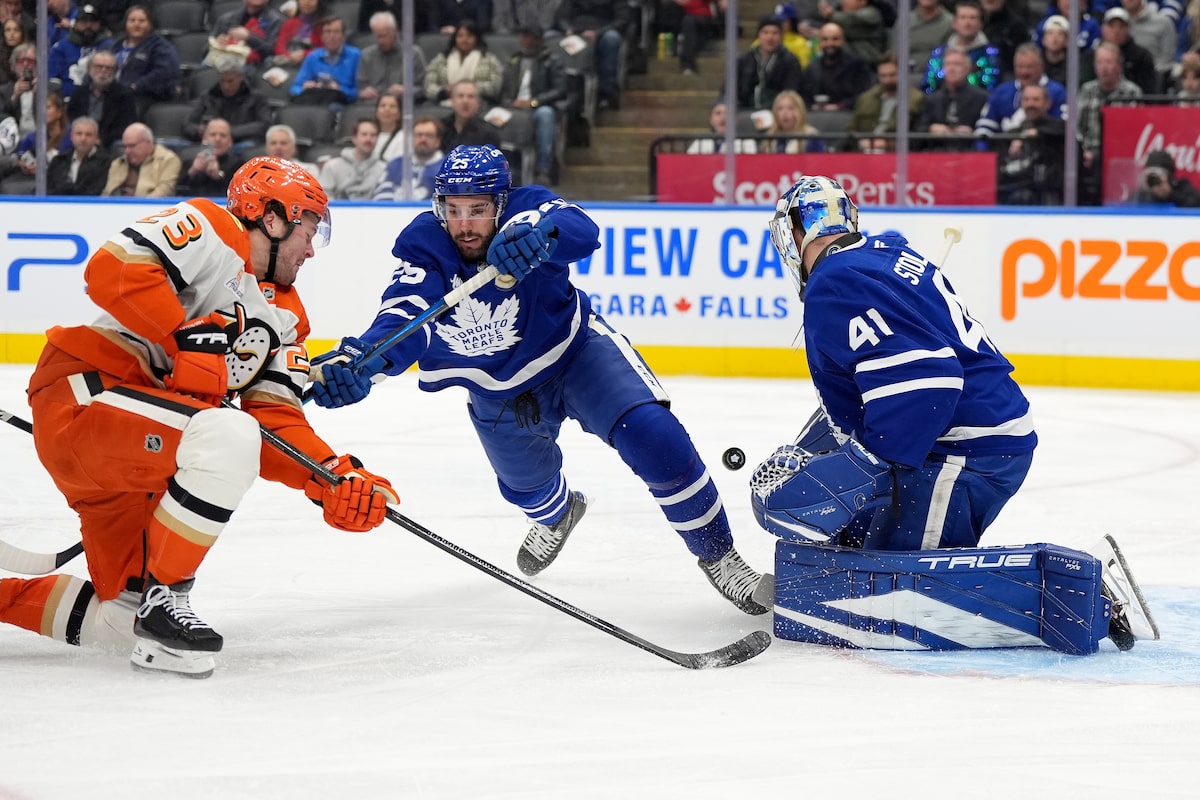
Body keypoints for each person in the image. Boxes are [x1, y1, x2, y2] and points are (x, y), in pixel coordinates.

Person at [308, 144, 772, 615]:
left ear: (501, 204)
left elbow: (581, 230)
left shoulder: (528, 210)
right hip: (496, 388)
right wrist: (366, 359)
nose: (464, 225)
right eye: (453, 209)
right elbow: (405, 314)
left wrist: (540, 234)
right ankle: (558, 515)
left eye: (477, 210)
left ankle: (720, 557)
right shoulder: (425, 245)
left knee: (656, 436)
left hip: (577, 355)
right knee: (529, 490)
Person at [0, 156, 397, 677]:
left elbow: (276, 421)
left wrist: (329, 476)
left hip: (143, 455)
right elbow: (111, 270)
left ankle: (111, 607)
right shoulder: (213, 227)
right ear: (272, 217)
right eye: (308, 230)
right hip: (88, 397)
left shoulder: (288, 319)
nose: (310, 249)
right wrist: (182, 337)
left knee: (122, 624)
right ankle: (168, 598)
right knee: (229, 433)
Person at [759, 174, 1155, 652]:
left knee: (898, 595)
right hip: (967, 435)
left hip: (964, 450)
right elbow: (885, 382)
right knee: (861, 546)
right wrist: (823, 453)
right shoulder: (879, 255)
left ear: (794, 232)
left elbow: (928, 380)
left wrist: (857, 466)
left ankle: (1079, 595)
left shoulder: (835, 281)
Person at [497, 23, 568, 185]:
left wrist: (535, 102)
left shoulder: (551, 60)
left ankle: (543, 169)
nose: (527, 41)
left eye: (532, 37)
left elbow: (560, 90)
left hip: (538, 107)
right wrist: (510, 102)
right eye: (525, 37)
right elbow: (503, 91)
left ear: (540, 40)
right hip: (514, 108)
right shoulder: (513, 60)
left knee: (545, 114)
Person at [1077, 42, 1143, 205]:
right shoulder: (1086, 90)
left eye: (1109, 62)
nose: (1104, 68)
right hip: (1090, 152)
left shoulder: (1132, 92)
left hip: (1121, 154)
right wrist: (1083, 151)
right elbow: (1076, 127)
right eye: (1100, 62)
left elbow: (1137, 130)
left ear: (1119, 65)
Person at [103, 4, 181, 118]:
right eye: (132, 20)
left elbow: (165, 72)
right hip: (112, 93)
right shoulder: (115, 46)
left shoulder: (161, 47)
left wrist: (137, 86)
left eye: (142, 21)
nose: (136, 24)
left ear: (150, 24)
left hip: (143, 96)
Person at [974, 43, 1067, 138]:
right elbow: (985, 126)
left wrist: (1039, 132)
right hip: (1005, 145)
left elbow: (1064, 126)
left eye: (1029, 67)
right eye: (1020, 66)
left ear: (1041, 66)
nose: (1024, 72)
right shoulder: (1001, 92)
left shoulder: (1058, 92)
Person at [184, 55, 273, 151]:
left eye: (230, 81)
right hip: (210, 145)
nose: (226, 86)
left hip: (240, 144)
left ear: (241, 77)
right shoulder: (208, 96)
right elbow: (188, 125)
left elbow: (264, 125)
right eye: (222, 81)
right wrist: (199, 130)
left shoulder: (257, 98)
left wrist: (228, 132)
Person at [996, 83, 1066, 205]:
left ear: (1047, 103)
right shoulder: (1013, 133)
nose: (1030, 104)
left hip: (1050, 194)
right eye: (1026, 100)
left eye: (1036, 100)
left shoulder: (1059, 128)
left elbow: (1062, 130)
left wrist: (1037, 132)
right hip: (1015, 190)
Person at [554, 0, 632, 110]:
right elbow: (562, 16)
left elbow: (622, 19)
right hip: (574, 32)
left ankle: (606, 91)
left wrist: (598, 32)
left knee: (611, 39)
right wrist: (567, 28)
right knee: (550, 36)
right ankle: (560, 89)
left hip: (603, 31)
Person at [846, 52, 924, 152]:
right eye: (883, 76)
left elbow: (918, 135)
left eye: (892, 75)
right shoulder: (865, 98)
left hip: (896, 152)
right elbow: (851, 129)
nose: (887, 80)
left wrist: (887, 144)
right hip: (865, 150)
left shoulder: (916, 99)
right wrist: (860, 141)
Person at [917, 47, 989, 150]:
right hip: (937, 152)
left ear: (968, 69)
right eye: (948, 64)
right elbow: (918, 132)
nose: (951, 69)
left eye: (957, 64)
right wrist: (931, 129)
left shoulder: (982, 98)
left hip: (969, 152)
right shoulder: (932, 99)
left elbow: (988, 131)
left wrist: (973, 132)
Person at [923, 0, 1002, 93]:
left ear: (980, 24)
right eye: (963, 17)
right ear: (954, 23)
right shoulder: (940, 52)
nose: (967, 23)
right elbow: (928, 85)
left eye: (972, 18)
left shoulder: (990, 54)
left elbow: (991, 87)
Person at [65, 49, 136, 150]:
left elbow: (125, 126)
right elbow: (71, 118)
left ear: (115, 72)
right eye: (98, 66)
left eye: (108, 68)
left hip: (108, 142)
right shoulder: (79, 92)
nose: (103, 71)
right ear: (89, 69)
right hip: (81, 137)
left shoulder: (124, 95)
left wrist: (97, 139)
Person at [422, 20, 505, 107]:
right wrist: (444, 91)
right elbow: (428, 86)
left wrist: (468, 88)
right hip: (443, 104)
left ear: (476, 38)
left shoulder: (489, 60)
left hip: (480, 105)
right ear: (455, 38)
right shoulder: (441, 59)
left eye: (469, 36)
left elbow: (495, 87)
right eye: (460, 36)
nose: (464, 40)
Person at [730, 14, 804, 110]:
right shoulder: (744, 60)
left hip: (777, 112)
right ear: (759, 35)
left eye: (775, 33)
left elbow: (791, 92)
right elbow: (730, 90)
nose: (770, 37)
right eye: (765, 32)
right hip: (745, 111)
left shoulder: (790, 61)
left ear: (781, 36)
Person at [800, 21, 875, 111]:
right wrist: (812, 106)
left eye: (835, 39)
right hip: (817, 114)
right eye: (825, 39)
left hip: (848, 113)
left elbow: (864, 95)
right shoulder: (812, 68)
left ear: (843, 40)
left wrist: (840, 106)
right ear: (819, 42)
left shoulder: (858, 65)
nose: (829, 43)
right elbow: (803, 96)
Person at [355, 10, 427, 104]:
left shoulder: (413, 54)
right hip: (374, 105)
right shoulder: (366, 55)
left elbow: (424, 88)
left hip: (403, 104)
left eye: (384, 36)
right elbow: (359, 88)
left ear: (395, 31)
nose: (381, 41)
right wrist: (363, 92)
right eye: (377, 37)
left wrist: (406, 90)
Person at [290, 15, 361, 108]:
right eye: (327, 32)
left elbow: (360, 91)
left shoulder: (355, 56)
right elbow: (295, 88)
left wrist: (340, 90)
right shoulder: (313, 57)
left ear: (343, 36)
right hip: (315, 102)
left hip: (343, 105)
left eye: (336, 32)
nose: (331, 36)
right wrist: (304, 88)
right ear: (322, 37)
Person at [371, 114, 444, 200]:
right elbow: (381, 198)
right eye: (419, 135)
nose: (423, 139)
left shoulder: (448, 170)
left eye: (429, 135)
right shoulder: (396, 165)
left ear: (437, 141)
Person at [102, 121, 182, 196]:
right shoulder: (118, 163)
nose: (127, 151)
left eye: (132, 146)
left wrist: (137, 203)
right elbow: (107, 192)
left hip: (149, 205)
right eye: (125, 147)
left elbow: (164, 191)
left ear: (148, 143)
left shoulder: (169, 160)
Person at [47, 3, 109, 98]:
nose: (88, 25)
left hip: (102, 100)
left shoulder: (109, 46)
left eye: (93, 21)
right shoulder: (60, 47)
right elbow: (52, 78)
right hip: (67, 100)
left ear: (99, 24)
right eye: (84, 21)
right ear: (75, 23)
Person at [317, 116, 386, 199]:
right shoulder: (331, 166)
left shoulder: (385, 169)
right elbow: (323, 197)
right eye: (364, 134)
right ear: (354, 138)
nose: (368, 139)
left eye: (373, 135)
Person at [210, 0, 285, 71]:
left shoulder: (276, 20)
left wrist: (248, 37)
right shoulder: (227, 19)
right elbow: (207, 48)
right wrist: (217, 42)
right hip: (224, 63)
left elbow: (273, 51)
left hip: (257, 67)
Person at [175, 117, 243, 196]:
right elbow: (176, 191)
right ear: (204, 138)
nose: (217, 139)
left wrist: (218, 176)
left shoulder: (238, 166)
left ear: (230, 141)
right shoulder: (188, 161)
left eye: (223, 135)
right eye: (213, 135)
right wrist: (192, 172)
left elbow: (237, 195)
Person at [658, 0, 729, 75]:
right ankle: (683, 59)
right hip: (682, 17)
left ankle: (687, 64)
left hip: (702, 18)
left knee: (689, 22)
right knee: (674, 12)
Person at [46, 115, 111, 194]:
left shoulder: (106, 163)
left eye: (88, 135)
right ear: (71, 137)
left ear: (96, 138)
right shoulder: (58, 160)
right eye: (79, 134)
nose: (83, 139)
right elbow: (45, 189)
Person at [1101, 7, 1158, 94]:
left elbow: (1149, 91)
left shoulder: (1142, 57)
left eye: (1121, 26)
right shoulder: (1093, 55)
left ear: (1128, 29)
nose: (1116, 31)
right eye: (1112, 26)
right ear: (1103, 29)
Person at [440, 78, 504, 152]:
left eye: (470, 96)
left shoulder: (488, 134)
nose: (465, 101)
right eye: (460, 96)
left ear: (478, 102)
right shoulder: (440, 128)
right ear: (452, 101)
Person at [818, 0, 887, 66]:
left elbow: (850, 19)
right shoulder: (839, 17)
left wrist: (830, 14)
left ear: (862, 1)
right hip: (848, 65)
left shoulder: (872, 14)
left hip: (869, 64)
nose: (844, 1)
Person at [1039, 14, 1096, 88]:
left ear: (1067, 40)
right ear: (1043, 40)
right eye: (1050, 33)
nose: (1055, 38)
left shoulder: (1075, 63)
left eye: (1060, 34)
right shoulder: (1036, 62)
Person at [906, 0, 954, 84]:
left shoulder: (950, 23)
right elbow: (894, 54)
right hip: (904, 75)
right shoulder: (905, 20)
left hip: (935, 77)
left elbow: (949, 56)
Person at [763, 89, 825, 153]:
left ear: (799, 111)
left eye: (790, 108)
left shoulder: (811, 137)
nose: (785, 113)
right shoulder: (770, 137)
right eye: (780, 108)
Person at [685, 99, 757, 153]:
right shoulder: (700, 142)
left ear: (735, 120)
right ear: (711, 120)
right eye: (718, 113)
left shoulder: (746, 143)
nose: (723, 117)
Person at [1135, 149, 1200, 205]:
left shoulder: (1184, 190)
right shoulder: (1142, 195)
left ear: (1169, 176)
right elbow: (1133, 208)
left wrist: (1170, 194)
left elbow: (1195, 204)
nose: (1155, 179)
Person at [274, 0, 326, 67]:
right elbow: (280, 45)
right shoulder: (290, 22)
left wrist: (304, 54)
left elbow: (326, 51)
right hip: (289, 64)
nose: (307, 2)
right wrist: (289, 56)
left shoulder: (325, 25)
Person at [370, 92, 406, 163]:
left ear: (399, 114)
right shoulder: (369, 135)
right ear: (376, 112)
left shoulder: (404, 137)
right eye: (383, 106)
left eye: (392, 106)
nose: (387, 109)